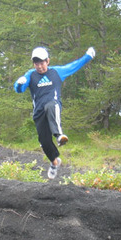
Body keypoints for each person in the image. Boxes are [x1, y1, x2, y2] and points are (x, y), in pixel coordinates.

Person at [14, 46, 95, 179]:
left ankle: (58, 135)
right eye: (36, 63)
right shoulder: (31, 74)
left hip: (53, 105)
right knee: (44, 141)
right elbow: (19, 90)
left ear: (48, 61)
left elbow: (74, 66)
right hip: (38, 112)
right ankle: (54, 163)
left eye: (42, 63)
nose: (39, 66)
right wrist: (18, 84)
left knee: (50, 105)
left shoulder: (57, 72)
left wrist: (88, 57)